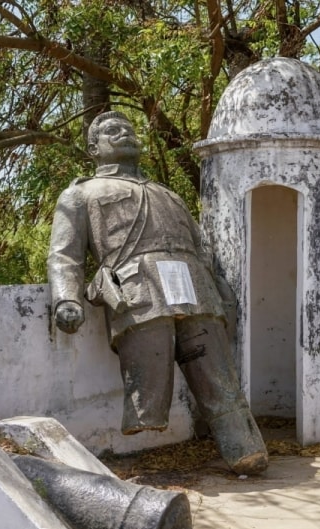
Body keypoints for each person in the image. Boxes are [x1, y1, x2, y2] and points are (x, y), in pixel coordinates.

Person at [47, 111, 268, 475]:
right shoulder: (80, 194)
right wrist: (66, 298)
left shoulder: (168, 194)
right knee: (149, 378)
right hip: (138, 292)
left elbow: (203, 252)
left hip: (195, 289)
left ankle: (244, 448)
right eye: (113, 131)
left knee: (218, 375)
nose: (125, 134)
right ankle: (146, 423)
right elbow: (63, 255)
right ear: (93, 148)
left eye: (130, 129)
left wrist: (223, 294)